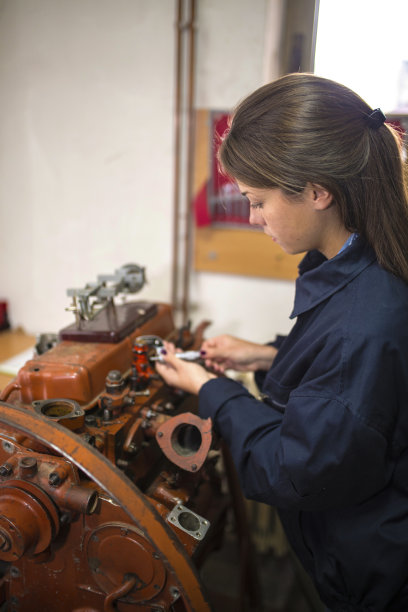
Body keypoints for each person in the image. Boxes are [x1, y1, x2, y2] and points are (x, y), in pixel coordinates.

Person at [156, 73, 408, 612]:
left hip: (371, 575)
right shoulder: (362, 263)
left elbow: (294, 468)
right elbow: (357, 390)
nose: (252, 218)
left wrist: (212, 391)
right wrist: (268, 356)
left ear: (318, 191)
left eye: (257, 201)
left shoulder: (366, 319)